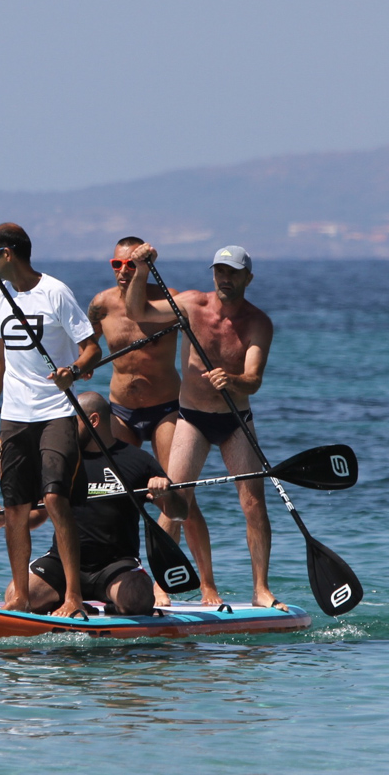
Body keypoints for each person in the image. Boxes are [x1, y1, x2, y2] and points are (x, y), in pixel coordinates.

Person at [123, 243, 276, 607]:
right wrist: (141, 271)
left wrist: (234, 381)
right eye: (220, 271)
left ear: (248, 278)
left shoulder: (258, 323)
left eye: (233, 273)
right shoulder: (192, 304)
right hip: (192, 419)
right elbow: (138, 311)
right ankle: (160, 587)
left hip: (235, 421)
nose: (225, 278)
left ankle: (261, 589)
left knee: (253, 504)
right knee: (173, 501)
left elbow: (253, 380)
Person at [0, 222, 102, 618]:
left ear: (6, 254)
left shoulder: (55, 292)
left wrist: (73, 372)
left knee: (55, 499)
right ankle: (21, 598)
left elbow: (92, 349)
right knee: (15, 508)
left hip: (56, 413)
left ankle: (73, 597)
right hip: (14, 417)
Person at [0, 391, 187, 616]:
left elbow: (179, 514)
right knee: (16, 594)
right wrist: (7, 519)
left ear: (93, 420)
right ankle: (67, 602)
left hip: (115, 565)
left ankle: (112, 605)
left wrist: (166, 494)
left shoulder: (138, 460)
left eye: (71, 421)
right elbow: (39, 515)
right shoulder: (60, 462)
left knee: (138, 598)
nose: (63, 429)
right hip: (62, 562)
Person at [87, 236, 182, 467]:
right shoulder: (101, 304)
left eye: (131, 264)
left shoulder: (168, 299)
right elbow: (88, 344)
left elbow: (199, 337)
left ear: (144, 265)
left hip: (166, 409)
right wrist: (82, 365)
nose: (123, 271)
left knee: (173, 483)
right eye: (116, 264)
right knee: (119, 483)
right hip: (121, 411)